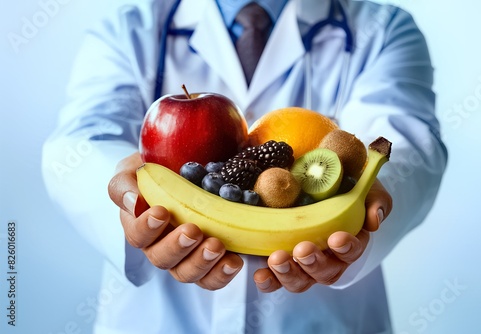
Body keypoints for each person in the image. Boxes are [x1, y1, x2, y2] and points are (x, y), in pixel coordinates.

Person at [42, 0, 447, 333]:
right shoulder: (129, 29)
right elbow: (78, 142)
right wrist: (126, 194)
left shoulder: (383, 29)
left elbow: (409, 143)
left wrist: (371, 196)